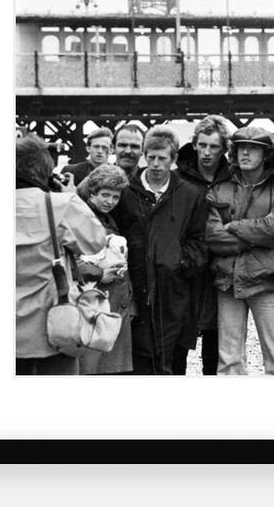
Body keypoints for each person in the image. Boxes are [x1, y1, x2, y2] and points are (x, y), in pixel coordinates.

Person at [111, 125, 208, 374]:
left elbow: (199, 239)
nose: (155, 164)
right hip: (135, 286)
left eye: (162, 158)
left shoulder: (190, 194)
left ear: (173, 160)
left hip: (173, 288)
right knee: (136, 360)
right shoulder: (126, 191)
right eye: (150, 157)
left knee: (173, 359)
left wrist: (180, 262)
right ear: (145, 155)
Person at [205, 126, 274, 375]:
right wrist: (254, 238)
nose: (245, 152)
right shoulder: (220, 188)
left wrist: (233, 226)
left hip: (265, 281)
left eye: (253, 148)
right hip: (227, 282)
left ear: (266, 154)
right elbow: (212, 236)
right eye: (241, 147)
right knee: (228, 360)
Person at [15, 135, 106, 375]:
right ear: (45, 170)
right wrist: (72, 196)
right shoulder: (59, 204)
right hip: (53, 328)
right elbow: (95, 242)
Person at [172, 114, 232, 375]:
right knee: (179, 339)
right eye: (202, 145)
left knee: (216, 341)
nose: (207, 152)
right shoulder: (178, 178)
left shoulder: (233, 178)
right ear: (194, 144)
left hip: (220, 265)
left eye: (214, 147)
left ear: (224, 149)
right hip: (188, 266)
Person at [75, 164, 134, 375]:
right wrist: (99, 273)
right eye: (105, 195)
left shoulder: (108, 218)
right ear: (92, 193)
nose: (110, 201)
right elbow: (71, 261)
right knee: (93, 364)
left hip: (110, 302)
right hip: (93, 301)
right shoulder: (81, 218)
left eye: (115, 197)